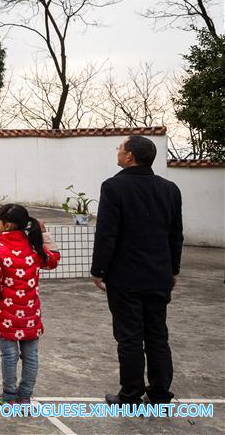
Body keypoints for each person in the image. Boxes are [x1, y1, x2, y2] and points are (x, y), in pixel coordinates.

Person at [90, 135, 183, 406]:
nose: (117, 152)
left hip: (125, 276)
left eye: (120, 148)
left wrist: (98, 269)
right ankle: (160, 393)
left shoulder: (113, 187)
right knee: (157, 335)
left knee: (129, 337)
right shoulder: (170, 189)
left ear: (130, 156)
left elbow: (107, 234)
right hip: (159, 275)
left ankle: (130, 394)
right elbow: (175, 234)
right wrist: (173, 269)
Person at [0, 204, 60, 405]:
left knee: (9, 356)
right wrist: (44, 233)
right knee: (31, 356)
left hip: (5, 315)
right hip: (31, 314)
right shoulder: (34, 247)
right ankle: (25, 396)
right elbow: (53, 260)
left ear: (6, 225)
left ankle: (8, 396)